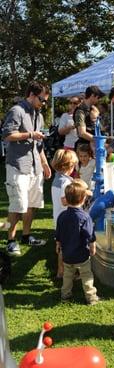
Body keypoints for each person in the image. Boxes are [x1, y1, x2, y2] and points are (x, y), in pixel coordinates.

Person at [2, 80, 51, 256]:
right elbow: (7, 135)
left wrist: (44, 163)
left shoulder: (39, 114)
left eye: (45, 101)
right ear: (31, 94)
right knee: (17, 205)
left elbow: (38, 144)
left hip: (35, 166)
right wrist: (30, 134)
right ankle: (10, 240)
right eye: (42, 100)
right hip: (18, 166)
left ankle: (26, 236)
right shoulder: (17, 111)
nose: (44, 104)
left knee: (33, 204)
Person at [55, 179, 99, 305]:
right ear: (83, 199)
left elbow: (58, 234)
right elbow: (90, 235)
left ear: (67, 199)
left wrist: (58, 245)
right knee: (86, 275)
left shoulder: (62, 216)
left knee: (67, 276)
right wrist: (93, 247)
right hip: (81, 254)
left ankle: (65, 295)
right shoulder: (85, 217)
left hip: (67, 255)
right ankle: (91, 297)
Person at [51, 149, 79, 278]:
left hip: (58, 218)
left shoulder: (58, 178)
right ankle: (63, 272)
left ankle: (60, 271)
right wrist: (79, 198)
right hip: (66, 220)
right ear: (70, 166)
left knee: (61, 245)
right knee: (65, 247)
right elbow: (64, 201)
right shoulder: (65, 182)